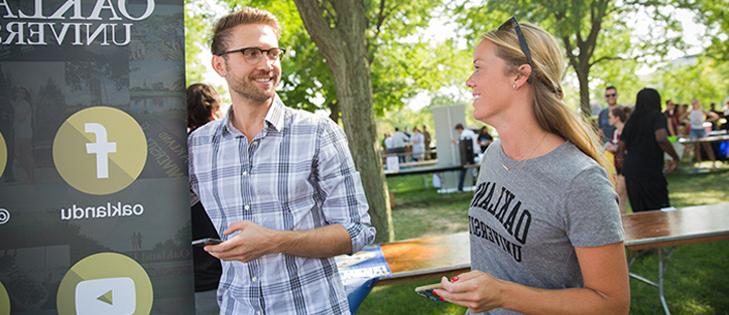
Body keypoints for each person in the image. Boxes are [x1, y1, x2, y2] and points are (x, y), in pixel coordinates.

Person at [433, 17, 629, 314]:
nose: (469, 81)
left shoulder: (581, 181)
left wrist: (502, 295)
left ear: (519, 76)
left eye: (478, 67)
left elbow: (612, 304)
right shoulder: (494, 156)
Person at [187, 8, 375, 315]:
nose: (267, 65)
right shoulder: (198, 146)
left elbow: (356, 231)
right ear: (219, 64)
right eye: (251, 53)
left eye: (273, 53)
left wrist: (274, 241)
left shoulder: (318, 132)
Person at [186, 83, 224, 315]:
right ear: (213, 111)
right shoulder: (227, 146)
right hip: (223, 274)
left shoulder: (174, 150)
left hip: (190, 278)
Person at [620, 88, 680, 212]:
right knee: (660, 210)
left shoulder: (632, 120)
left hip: (632, 170)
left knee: (640, 212)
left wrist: (621, 161)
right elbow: (661, 138)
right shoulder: (658, 116)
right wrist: (674, 156)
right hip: (650, 169)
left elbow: (621, 144)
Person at [605, 106, 631, 214]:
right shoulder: (615, 132)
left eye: (610, 117)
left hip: (626, 164)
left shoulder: (626, 130)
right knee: (619, 194)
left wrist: (614, 148)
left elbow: (625, 147)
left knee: (621, 192)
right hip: (617, 165)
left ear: (617, 118)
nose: (608, 119)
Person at [12, 87, 33, 182]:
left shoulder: (25, 105)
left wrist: (13, 108)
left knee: (25, 155)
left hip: (25, 134)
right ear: (16, 93)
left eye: (23, 93)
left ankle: (31, 176)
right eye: (19, 93)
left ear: (25, 95)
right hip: (17, 133)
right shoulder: (15, 104)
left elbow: (21, 118)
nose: (21, 95)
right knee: (18, 155)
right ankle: (29, 175)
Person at [688, 99, 717, 166]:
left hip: (701, 129)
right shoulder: (690, 111)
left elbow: (715, 116)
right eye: (693, 103)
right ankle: (699, 164)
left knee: (707, 146)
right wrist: (688, 122)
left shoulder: (702, 110)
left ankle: (713, 163)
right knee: (696, 147)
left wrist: (707, 120)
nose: (694, 104)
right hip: (693, 130)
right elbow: (681, 118)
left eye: (695, 103)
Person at [454, 123, 480, 192]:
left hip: (469, 155)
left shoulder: (464, 134)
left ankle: (460, 188)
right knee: (478, 171)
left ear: (459, 129)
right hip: (476, 153)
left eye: (457, 131)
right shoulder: (470, 132)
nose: (458, 132)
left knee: (464, 170)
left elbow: (464, 144)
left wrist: (456, 142)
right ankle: (479, 187)